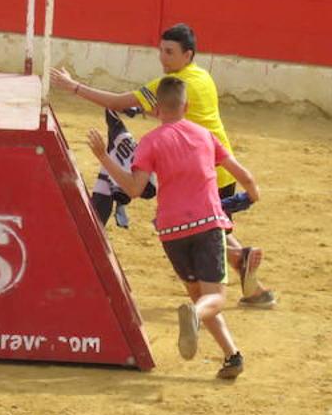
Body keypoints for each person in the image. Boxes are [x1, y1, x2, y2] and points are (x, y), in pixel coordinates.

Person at [52, 23, 276, 308]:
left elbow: (120, 101)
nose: (162, 57)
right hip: (220, 165)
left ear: (188, 55)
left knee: (205, 236)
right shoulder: (203, 77)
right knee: (214, 232)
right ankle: (253, 286)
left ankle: (228, 280)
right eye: (161, 50)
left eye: (169, 52)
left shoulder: (173, 86)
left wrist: (74, 87)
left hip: (201, 175)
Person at [87, 75, 263, 380]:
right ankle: (194, 318)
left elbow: (132, 188)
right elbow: (242, 174)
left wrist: (103, 156)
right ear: (187, 105)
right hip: (207, 225)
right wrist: (253, 194)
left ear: (156, 109)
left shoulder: (150, 142)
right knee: (214, 298)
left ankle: (232, 356)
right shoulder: (205, 135)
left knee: (201, 298)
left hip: (172, 232)